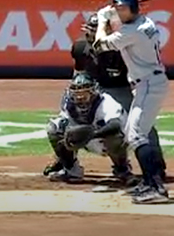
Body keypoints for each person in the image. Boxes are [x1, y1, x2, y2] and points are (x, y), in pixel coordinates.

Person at [67, 13, 166, 183]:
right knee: (71, 118)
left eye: (98, 30)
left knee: (142, 122)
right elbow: (78, 73)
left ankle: (156, 165)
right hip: (95, 87)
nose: (92, 35)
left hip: (123, 87)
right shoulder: (80, 47)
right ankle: (66, 161)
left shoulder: (122, 46)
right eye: (90, 30)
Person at [93, 0, 171, 204]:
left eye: (124, 8)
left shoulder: (134, 31)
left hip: (148, 84)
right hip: (147, 83)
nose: (121, 12)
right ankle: (149, 182)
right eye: (119, 8)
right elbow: (122, 28)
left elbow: (100, 45)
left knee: (136, 135)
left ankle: (156, 187)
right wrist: (114, 16)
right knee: (134, 132)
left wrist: (102, 20)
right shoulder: (143, 23)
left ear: (135, 8)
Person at [44, 74, 133, 186]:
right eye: (77, 94)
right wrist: (69, 137)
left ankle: (122, 169)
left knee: (114, 137)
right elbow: (64, 121)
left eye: (84, 94)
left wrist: (92, 134)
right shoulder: (68, 103)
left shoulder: (106, 102)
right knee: (54, 128)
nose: (80, 98)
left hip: (106, 139)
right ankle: (71, 169)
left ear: (93, 92)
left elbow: (115, 126)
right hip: (86, 139)